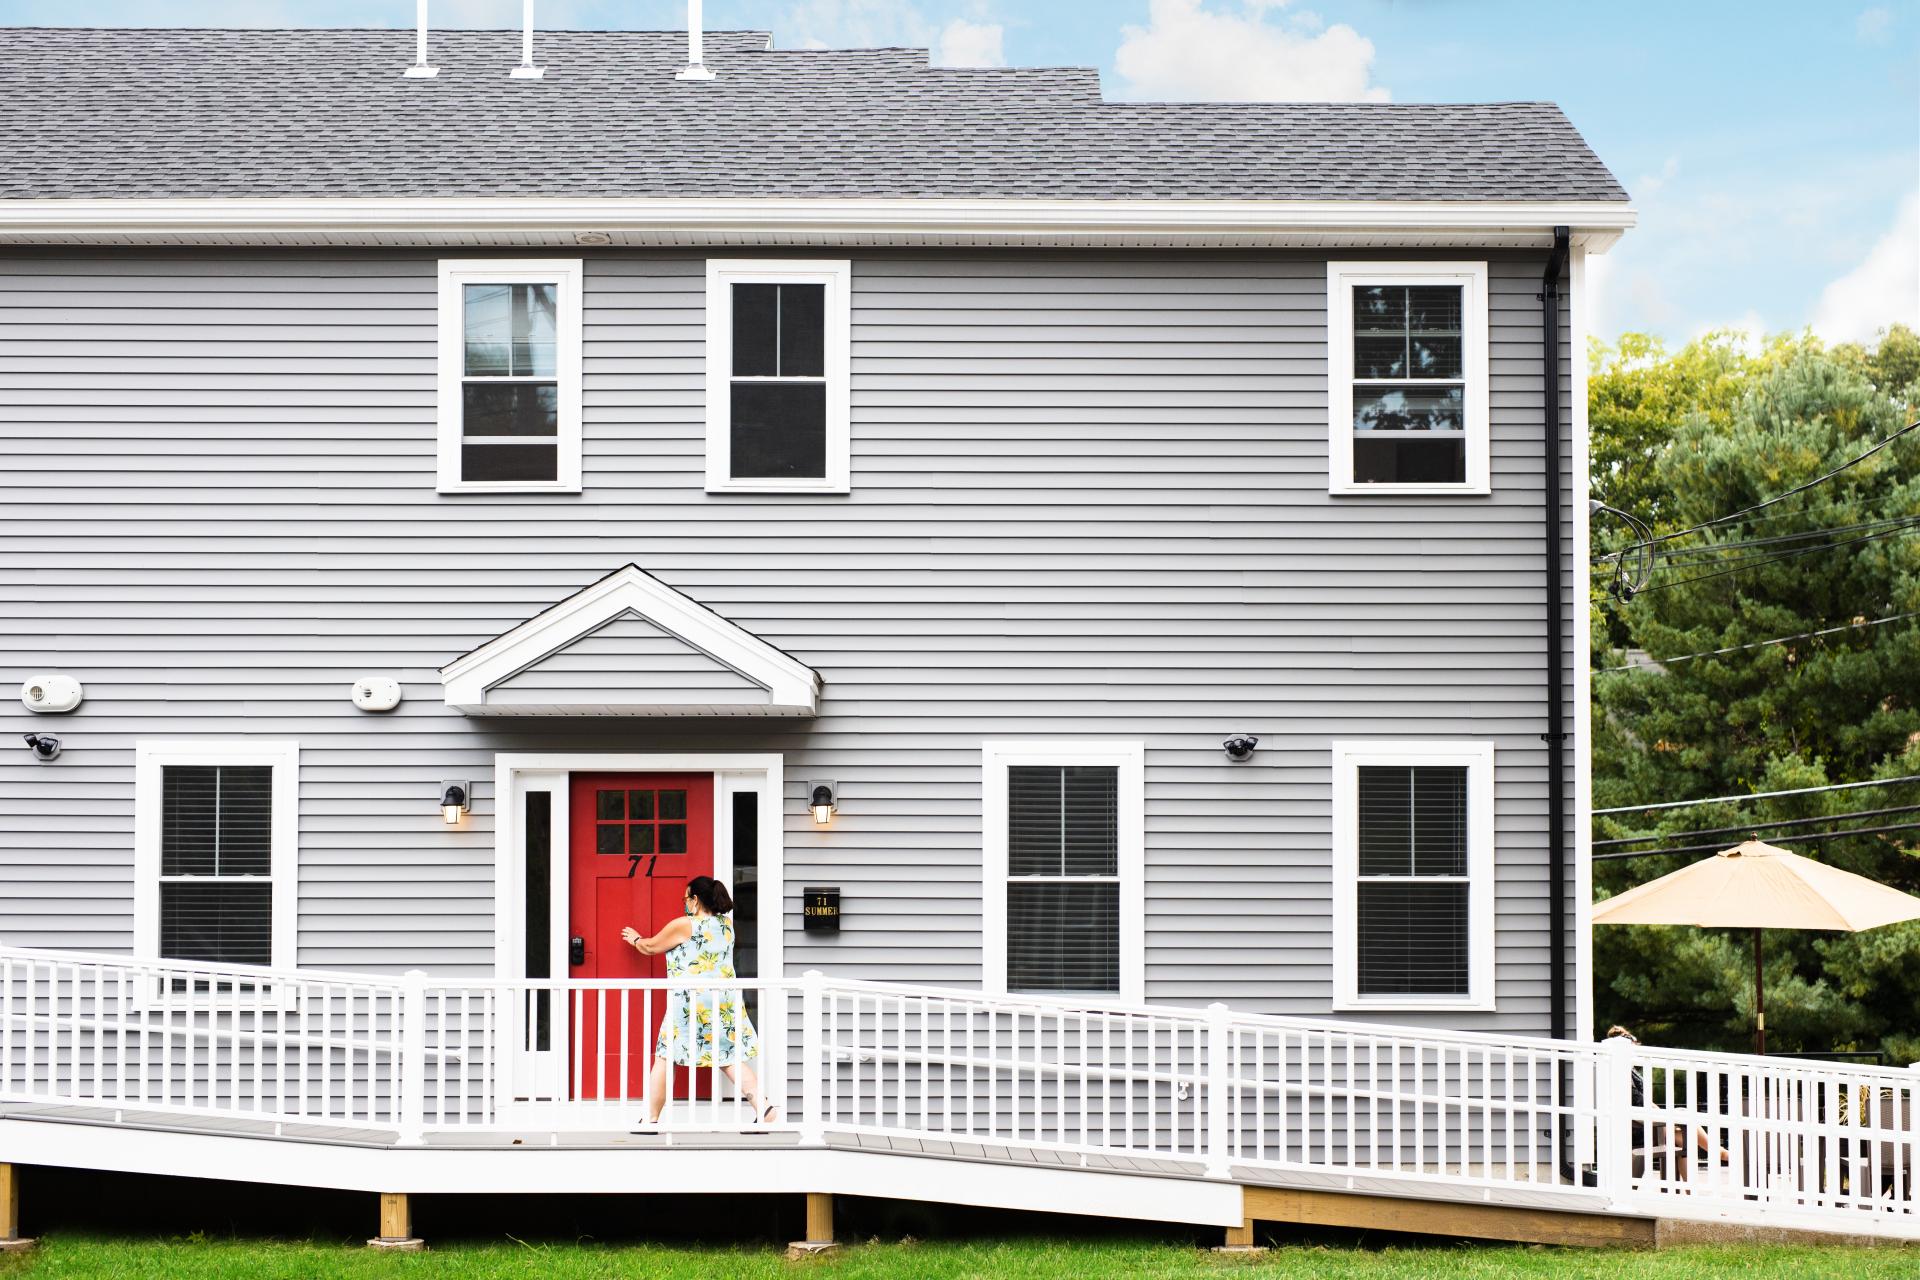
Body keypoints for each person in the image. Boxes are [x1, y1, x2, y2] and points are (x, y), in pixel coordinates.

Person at [622, 875, 776, 1128]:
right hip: (723, 1002)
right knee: (729, 1057)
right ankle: (764, 1107)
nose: (684, 903)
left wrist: (637, 939)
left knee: (666, 1055)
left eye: (686, 898)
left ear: (695, 900)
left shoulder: (686, 924)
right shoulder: (727, 925)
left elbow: (650, 947)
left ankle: (650, 1119)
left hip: (691, 1002)